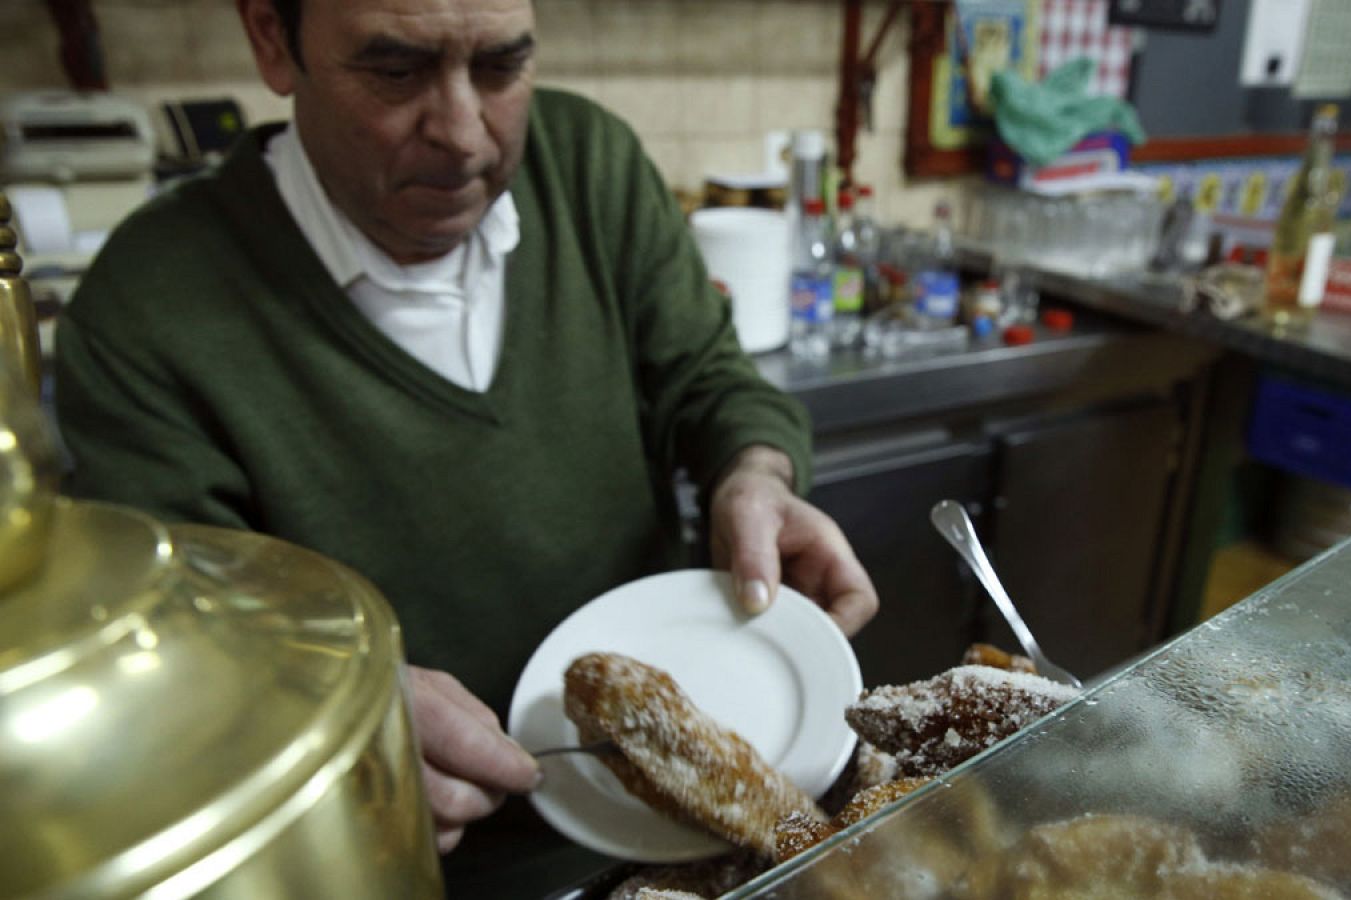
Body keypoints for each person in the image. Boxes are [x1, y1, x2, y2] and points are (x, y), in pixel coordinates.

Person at [51, 0, 878, 893]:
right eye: (395, 71)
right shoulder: (146, 309)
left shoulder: (587, 163)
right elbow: (172, 648)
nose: (464, 136)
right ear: (270, 39)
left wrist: (754, 471)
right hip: (397, 861)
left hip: (679, 832)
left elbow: (709, 378)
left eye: (500, 66)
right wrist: (336, 709)